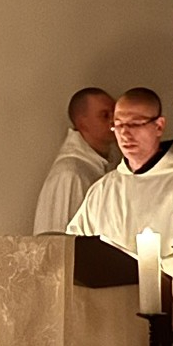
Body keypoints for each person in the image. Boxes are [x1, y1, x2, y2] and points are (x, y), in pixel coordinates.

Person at [67, 86, 173, 305]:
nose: (125, 134)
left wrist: (148, 273)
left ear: (159, 126)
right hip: (110, 312)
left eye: (134, 124)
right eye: (118, 125)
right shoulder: (102, 190)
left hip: (166, 310)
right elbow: (73, 250)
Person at [33, 87, 117, 235]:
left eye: (115, 114)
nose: (114, 122)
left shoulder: (104, 167)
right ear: (82, 123)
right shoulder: (70, 173)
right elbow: (58, 239)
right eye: (105, 115)